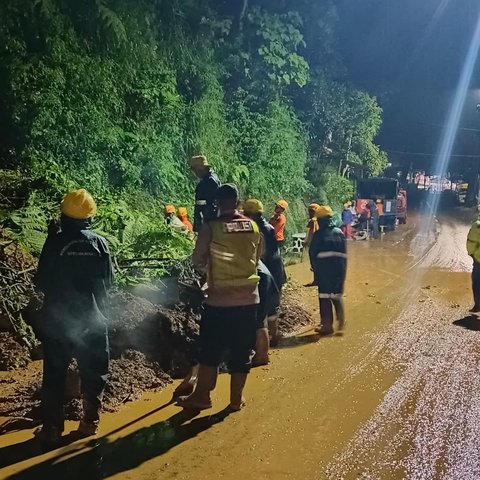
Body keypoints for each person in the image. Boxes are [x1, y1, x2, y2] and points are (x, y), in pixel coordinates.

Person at [34, 189, 114, 448]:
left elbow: (42, 281)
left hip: (59, 320)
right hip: (93, 318)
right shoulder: (100, 243)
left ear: (63, 213)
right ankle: (89, 423)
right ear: (90, 215)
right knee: (95, 372)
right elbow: (108, 284)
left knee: (55, 374)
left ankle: (52, 429)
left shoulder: (54, 242)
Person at [177, 184, 262, 412]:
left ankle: (203, 397)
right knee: (241, 352)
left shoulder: (211, 228)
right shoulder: (252, 226)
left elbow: (197, 260)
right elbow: (257, 255)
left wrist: (209, 274)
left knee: (211, 351)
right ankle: (236, 401)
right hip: (249, 301)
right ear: (237, 202)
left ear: (217, 203)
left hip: (219, 302)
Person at [244, 199, 286, 347]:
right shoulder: (268, 226)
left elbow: (262, 254)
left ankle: (262, 346)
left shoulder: (257, 229)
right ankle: (274, 338)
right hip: (276, 270)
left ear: (250, 214)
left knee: (262, 310)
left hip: (267, 271)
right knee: (273, 306)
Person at [309, 205, 347, 335]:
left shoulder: (319, 235)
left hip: (324, 271)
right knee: (336, 295)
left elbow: (312, 253)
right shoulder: (340, 233)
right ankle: (341, 320)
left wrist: (315, 270)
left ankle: (327, 326)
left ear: (321, 221)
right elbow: (344, 255)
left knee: (324, 297)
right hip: (339, 270)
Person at [253, 261, 280, 366]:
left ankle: (261, 356)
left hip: (258, 278)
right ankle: (274, 337)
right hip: (267, 276)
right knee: (270, 312)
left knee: (259, 320)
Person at [190, 155, 220, 233]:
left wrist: (202, 223)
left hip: (208, 220)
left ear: (200, 169)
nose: (195, 173)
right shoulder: (210, 179)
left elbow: (208, 203)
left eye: (195, 170)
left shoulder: (209, 181)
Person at [467, 216, 480, 313]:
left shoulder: (477, 225)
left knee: (477, 282)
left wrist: (471, 253)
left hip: (479, 259)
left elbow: (471, 242)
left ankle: (478, 305)